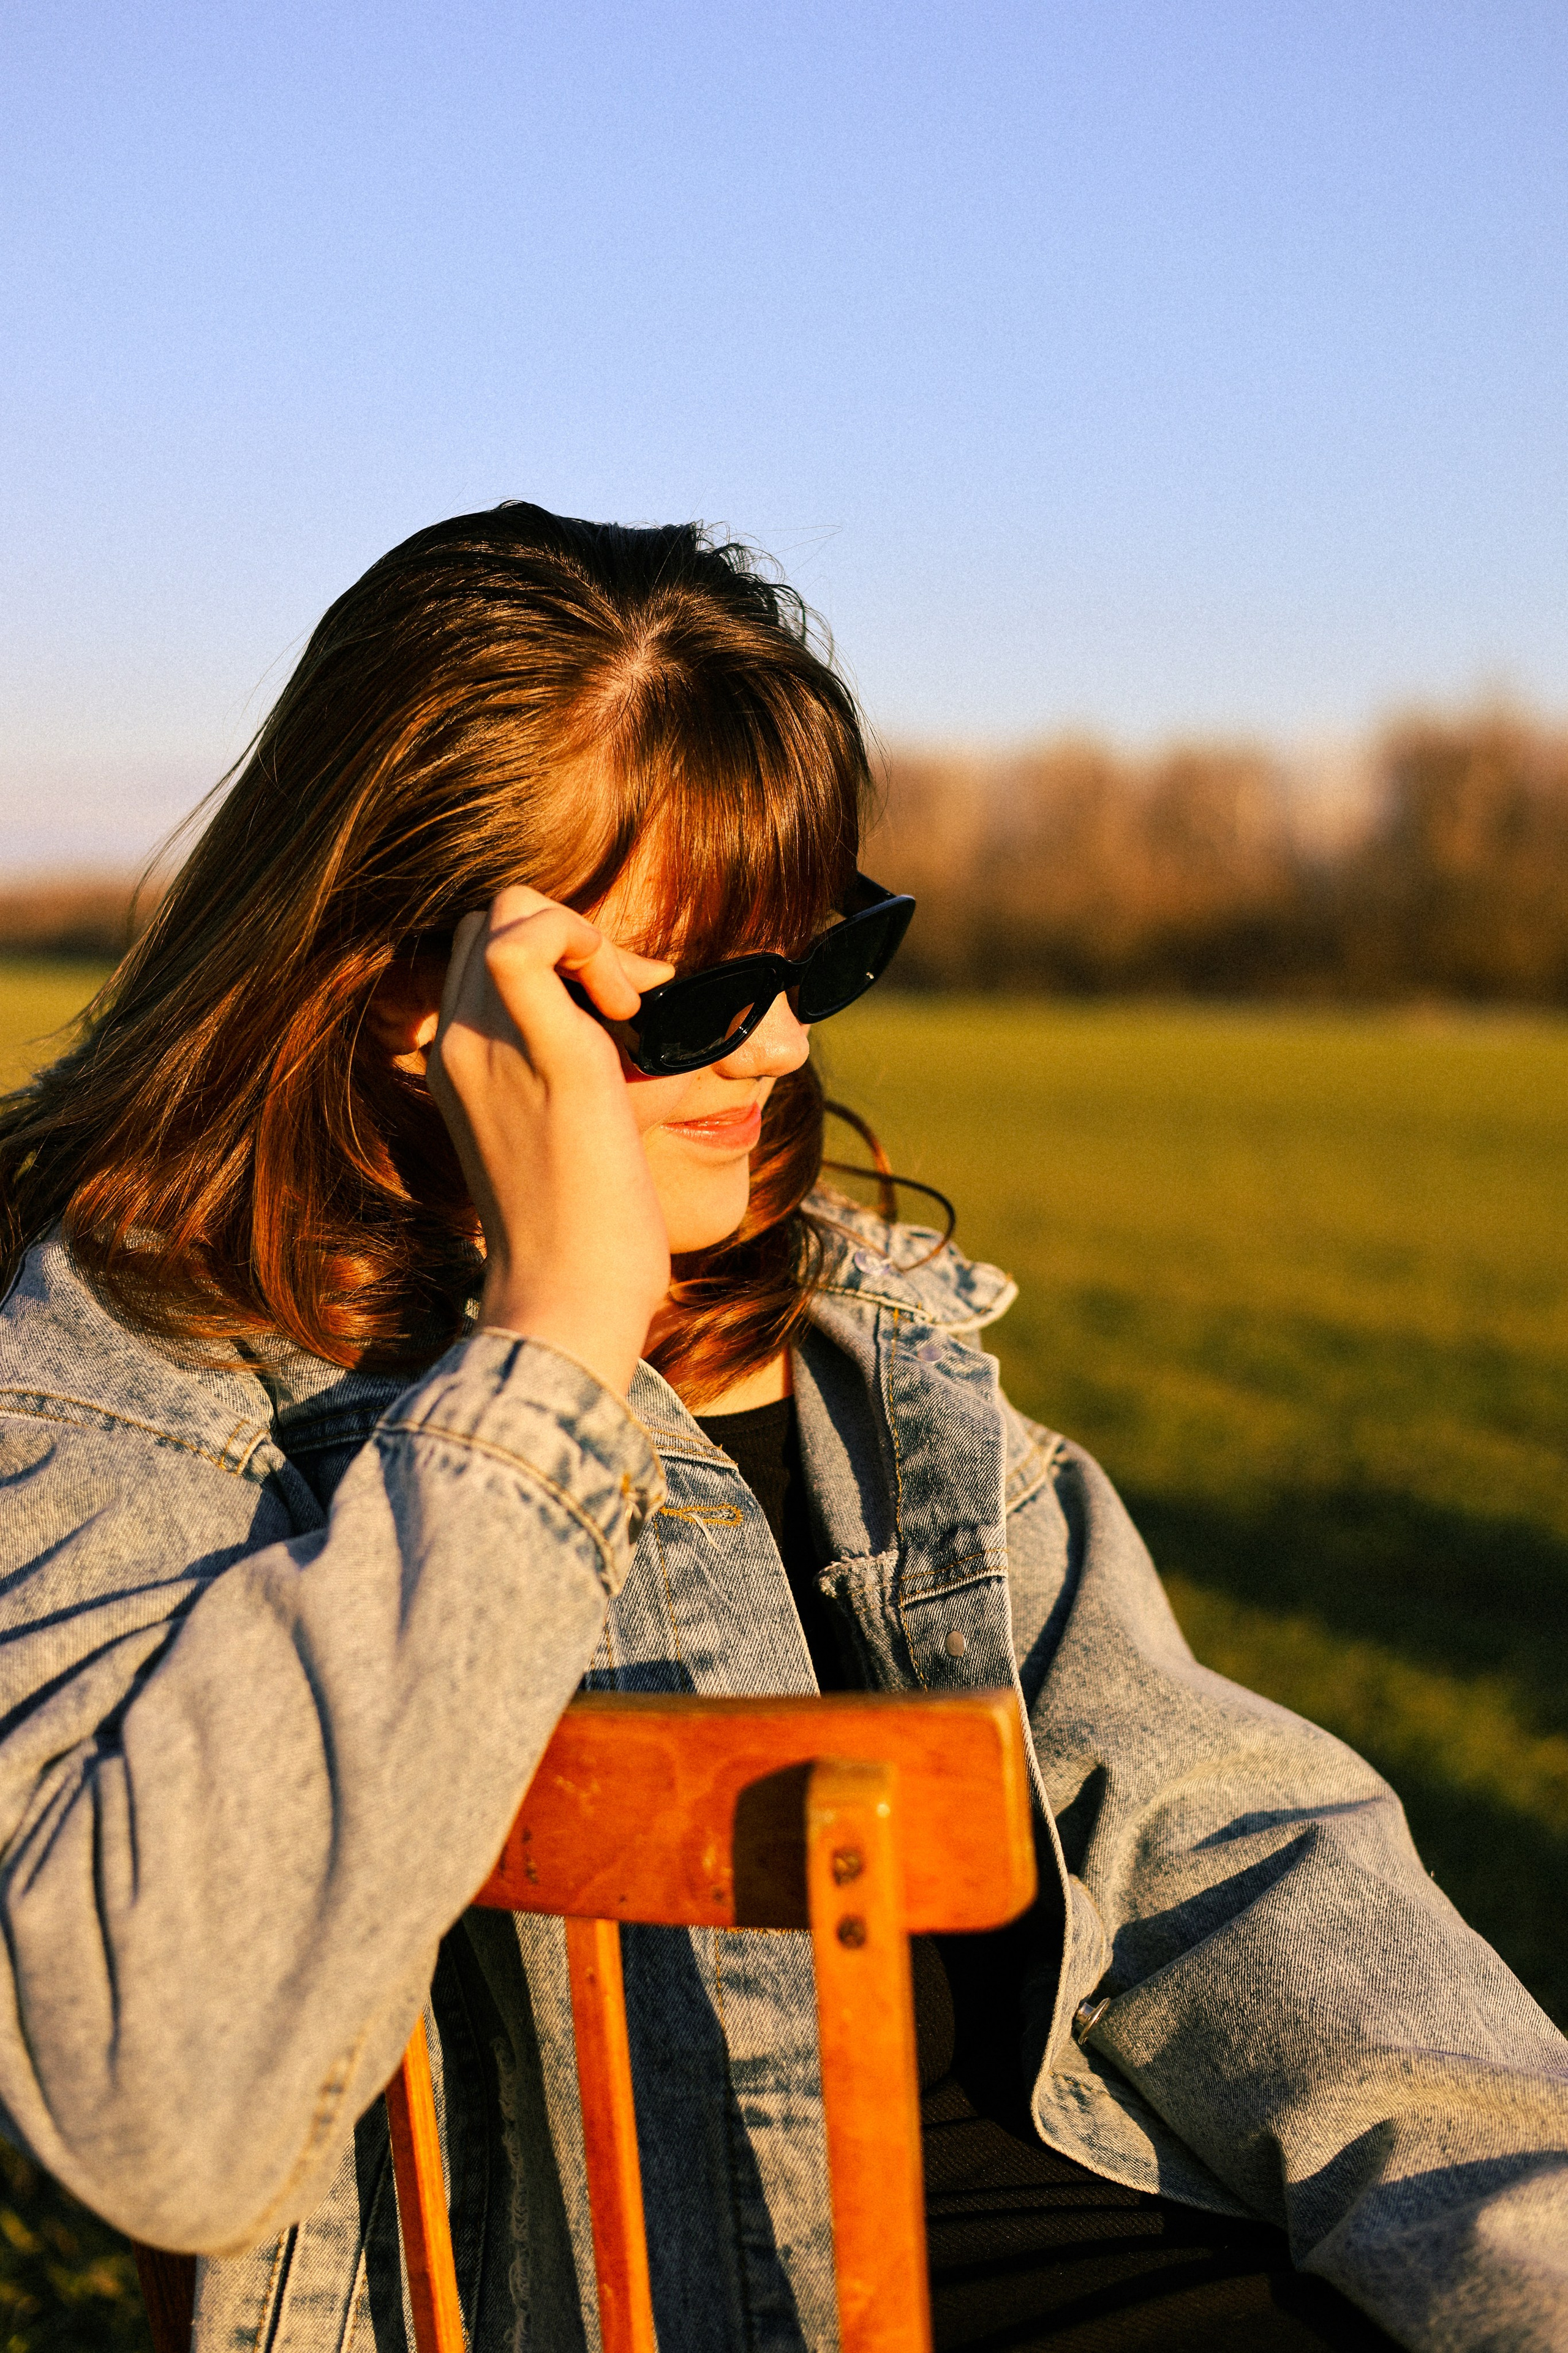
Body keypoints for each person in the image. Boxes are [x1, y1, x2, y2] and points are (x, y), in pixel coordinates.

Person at [0, 504, 1562, 2353]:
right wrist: (554, 1347)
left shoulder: (860, 1361)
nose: (781, 1054)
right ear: (401, 996)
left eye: (820, 964)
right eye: (698, 1000)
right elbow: (155, 2099)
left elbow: (1235, 1861)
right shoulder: (131, 1370)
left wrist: (1516, 2260)